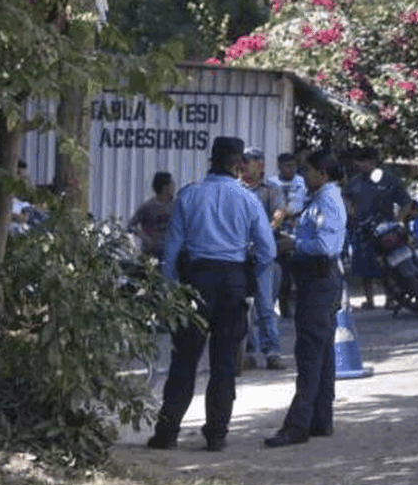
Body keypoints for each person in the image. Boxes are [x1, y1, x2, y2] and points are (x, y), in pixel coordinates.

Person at [147, 136, 277, 453]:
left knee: (184, 360)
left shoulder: (188, 195)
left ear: (211, 161)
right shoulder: (249, 201)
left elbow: (172, 251)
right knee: (224, 362)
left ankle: (167, 432)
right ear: (239, 165)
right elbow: (267, 251)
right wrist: (255, 283)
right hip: (232, 284)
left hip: (196, 283)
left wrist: (168, 291)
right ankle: (216, 435)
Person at [265, 150, 348, 448]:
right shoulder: (318, 198)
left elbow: (324, 245)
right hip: (318, 280)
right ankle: (320, 419)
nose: (303, 176)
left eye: (308, 172)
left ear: (322, 174)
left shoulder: (327, 200)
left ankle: (297, 425)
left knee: (310, 354)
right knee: (322, 353)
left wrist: (292, 243)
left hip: (319, 280)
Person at [342, 146, 411, 310]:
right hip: (362, 229)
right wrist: (350, 209)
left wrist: (399, 221)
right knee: (364, 265)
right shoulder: (356, 181)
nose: (358, 165)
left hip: (385, 229)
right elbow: (345, 196)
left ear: (372, 162)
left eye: (362, 162)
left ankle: (391, 297)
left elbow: (406, 202)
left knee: (390, 263)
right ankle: (369, 300)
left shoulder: (388, 179)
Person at [239, 147, 284, 370]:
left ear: (261, 165)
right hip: (237, 255)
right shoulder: (235, 188)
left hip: (263, 256)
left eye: (249, 161)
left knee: (265, 305)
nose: (244, 164)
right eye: (243, 161)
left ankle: (272, 352)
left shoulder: (271, 189)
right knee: (240, 305)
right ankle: (247, 351)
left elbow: (279, 213)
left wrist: (268, 229)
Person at [270, 152, 307, 316]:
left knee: (301, 270)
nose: (291, 169)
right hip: (279, 228)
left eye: (293, 165)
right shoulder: (272, 183)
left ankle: (302, 306)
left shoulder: (302, 182)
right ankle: (284, 306)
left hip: (300, 227)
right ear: (279, 166)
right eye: (287, 166)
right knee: (284, 270)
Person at [127, 171, 176, 257]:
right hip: (150, 256)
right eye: (171, 184)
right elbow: (131, 226)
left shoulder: (176, 206)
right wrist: (144, 237)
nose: (174, 187)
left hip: (170, 255)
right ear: (165, 187)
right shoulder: (148, 207)